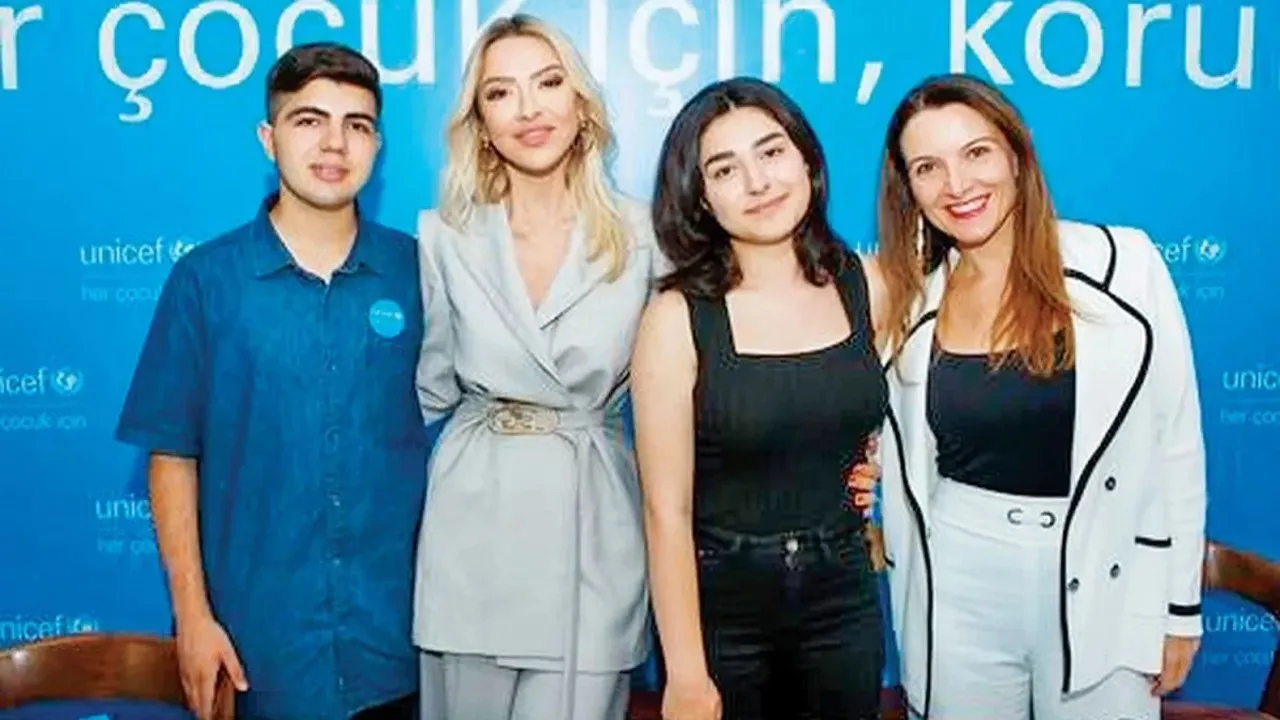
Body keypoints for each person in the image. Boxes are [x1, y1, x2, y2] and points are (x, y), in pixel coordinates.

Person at [872, 73, 1206, 720]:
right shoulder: (906, 307)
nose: (957, 184)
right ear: (908, 188)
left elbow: (1176, 447)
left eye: (976, 152)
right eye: (928, 167)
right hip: (957, 579)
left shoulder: (1126, 265)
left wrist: (1179, 611)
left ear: (1017, 154)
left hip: (1107, 576)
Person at [115, 43, 425, 720]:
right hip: (258, 657)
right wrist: (192, 617)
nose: (334, 143)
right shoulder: (205, 281)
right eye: (309, 120)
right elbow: (172, 455)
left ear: (377, 146)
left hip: (399, 649)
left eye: (357, 124)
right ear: (268, 137)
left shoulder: (420, 274)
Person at [410, 14, 665, 720]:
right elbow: (425, 392)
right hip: (471, 530)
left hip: (593, 530)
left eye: (548, 83)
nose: (528, 108)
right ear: (480, 123)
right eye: (501, 92)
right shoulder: (442, 237)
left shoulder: (646, 236)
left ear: (581, 104)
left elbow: (688, 398)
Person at [631, 76, 889, 720]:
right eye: (725, 169)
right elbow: (666, 511)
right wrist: (686, 674)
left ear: (806, 160)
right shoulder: (675, 318)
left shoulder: (870, 285)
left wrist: (881, 469)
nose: (758, 181)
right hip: (725, 611)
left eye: (771, 152)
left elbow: (910, 411)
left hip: (844, 598)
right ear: (701, 198)